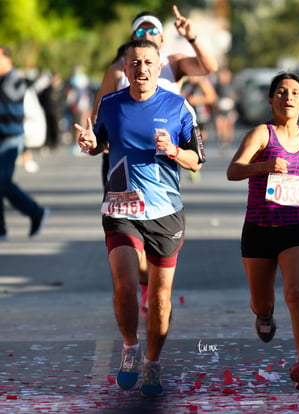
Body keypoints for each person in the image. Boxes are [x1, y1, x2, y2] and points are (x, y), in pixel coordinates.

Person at [74, 39, 205, 396]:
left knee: (161, 299)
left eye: (148, 62)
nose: (142, 69)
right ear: (125, 68)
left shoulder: (179, 107)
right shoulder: (111, 105)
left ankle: (153, 363)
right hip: (121, 210)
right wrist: (89, 144)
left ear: (159, 66)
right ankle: (131, 348)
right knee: (125, 284)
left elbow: (197, 159)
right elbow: (100, 143)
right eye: (134, 63)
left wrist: (174, 150)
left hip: (166, 213)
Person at [92, 5, 218, 317]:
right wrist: (96, 140)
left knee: (154, 226)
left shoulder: (174, 63)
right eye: (141, 30)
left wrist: (193, 37)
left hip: (161, 157)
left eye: (153, 30)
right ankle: (132, 289)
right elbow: (98, 115)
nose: (147, 34)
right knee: (125, 240)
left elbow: (209, 66)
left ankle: (149, 285)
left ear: (162, 40)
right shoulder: (117, 70)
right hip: (121, 161)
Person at [227, 72, 299, 390]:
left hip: (296, 227)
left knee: (297, 292)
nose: (288, 97)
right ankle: (264, 315)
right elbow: (233, 170)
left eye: (294, 92)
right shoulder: (261, 135)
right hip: (259, 228)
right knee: (261, 302)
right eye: (281, 92)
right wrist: (263, 166)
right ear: (271, 100)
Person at [0, 45, 49, 241]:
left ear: (8, 60)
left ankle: (35, 212)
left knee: (2, 182)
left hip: (10, 139)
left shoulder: (14, 80)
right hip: (2, 138)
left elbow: (10, 97)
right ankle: (1, 228)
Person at [213, 67, 239, 150]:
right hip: (220, 108)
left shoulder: (233, 85)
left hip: (230, 108)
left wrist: (231, 97)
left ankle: (227, 142)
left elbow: (237, 97)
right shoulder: (217, 86)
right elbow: (213, 96)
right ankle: (221, 140)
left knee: (229, 126)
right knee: (220, 125)